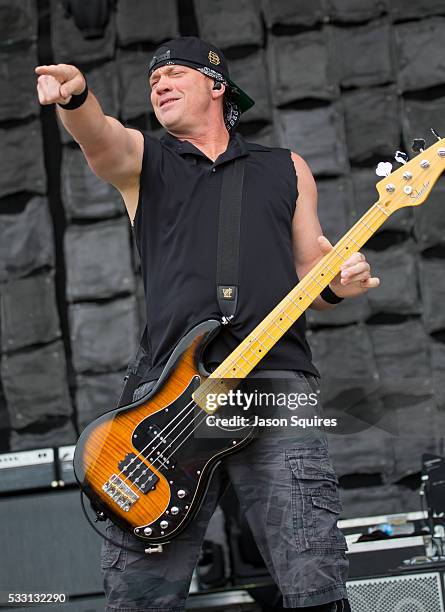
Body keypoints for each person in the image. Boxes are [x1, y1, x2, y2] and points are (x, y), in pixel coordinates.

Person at [36, 36, 379, 612]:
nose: (159, 85)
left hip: (275, 386)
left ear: (217, 86)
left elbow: (311, 277)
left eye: (173, 74)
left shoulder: (285, 168)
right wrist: (77, 100)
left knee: (312, 570)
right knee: (140, 591)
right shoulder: (145, 160)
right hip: (170, 393)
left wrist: (339, 285)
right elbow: (101, 137)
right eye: (152, 80)